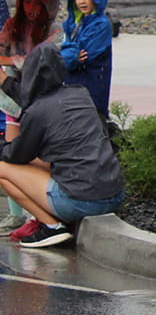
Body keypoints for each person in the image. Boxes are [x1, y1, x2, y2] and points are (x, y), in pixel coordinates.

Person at [0, 43, 125, 248]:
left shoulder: (37, 112)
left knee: (3, 169)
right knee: (44, 162)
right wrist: (5, 82)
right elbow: (32, 98)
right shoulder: (80, 94)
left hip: (81, 201)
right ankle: (62, 218)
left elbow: (16, 155)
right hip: (114, 194)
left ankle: (51, 227)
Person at [0, 0, 60, 237]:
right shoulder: (12, 26)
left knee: (38, 156)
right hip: (13, 102)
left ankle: (41, 214)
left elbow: (47, 61)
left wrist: (18, 61)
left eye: (37, 3)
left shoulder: (54, 30)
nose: (31, 9)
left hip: (39, 102)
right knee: (10, 156)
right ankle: (18, 214)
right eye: (27, 2)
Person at [59, 0, 113, 119]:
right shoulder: (74, 23)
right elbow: (71, 55)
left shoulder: (100, 25)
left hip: (92, 87)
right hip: (74, 86)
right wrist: (70, 54)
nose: (81, 1)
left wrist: (65, 54)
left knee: (91, 122)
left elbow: (83, 54)